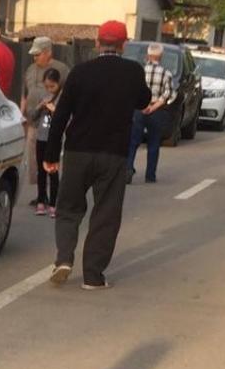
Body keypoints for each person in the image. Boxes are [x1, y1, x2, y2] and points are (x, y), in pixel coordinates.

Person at [43, 20, 151, 290]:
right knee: (106, 213)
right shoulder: (133, 72)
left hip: (78, 151)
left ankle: (64, 258)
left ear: (97, 43)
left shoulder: (80, 72)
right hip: (113, 154)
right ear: (124, 45)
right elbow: (144, 100)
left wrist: (51, 154)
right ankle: (93, 276)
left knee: (68, 208)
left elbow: (61, 115)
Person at [21, 36, 70, 203]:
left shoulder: (61, 69)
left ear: (48, 52)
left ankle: (54, 197)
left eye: (38, 54)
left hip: (52, 126)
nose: (35, 58)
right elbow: (25, 94)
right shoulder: (30, 69)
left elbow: (69, 94)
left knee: (51, 163)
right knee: (35, 163)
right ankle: (41, 195)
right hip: (33, 122)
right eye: (33, 55)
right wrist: (22, 114)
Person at [127, 43, 175, 183]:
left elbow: (133, 90)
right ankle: (150, 175)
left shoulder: (139, 71)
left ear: (148, 55)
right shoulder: (166, 73)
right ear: (161, 56)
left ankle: (128, 169)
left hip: (139, 109)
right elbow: (169, 94)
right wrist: (154, 106)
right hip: (156, 110)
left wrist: (141, 105)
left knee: (133, 141)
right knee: (154, 142)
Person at [31, 67, 63, 217]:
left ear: (58, 84)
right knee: (41, 171)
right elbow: (33, 117)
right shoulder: (42, 95)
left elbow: (65, 118)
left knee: (52, 170)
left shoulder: (62, 97)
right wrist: (40, 107)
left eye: (52, 86)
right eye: (47, 86)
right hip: (41, 137)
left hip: (54, 139)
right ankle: (41, 200)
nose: (49, 89)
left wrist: (54, 109)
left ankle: (53, 204)